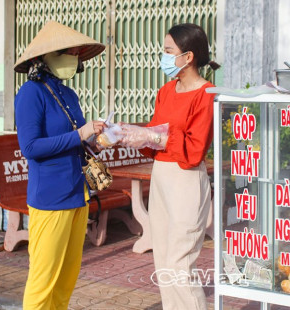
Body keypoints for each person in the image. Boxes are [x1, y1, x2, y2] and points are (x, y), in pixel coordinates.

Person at [117, 23, 220, 309]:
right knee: (163, 259)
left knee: (180, 262)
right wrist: (133, 136)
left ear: (188, 57)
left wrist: (155, 135)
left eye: (168, 51)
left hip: (186, 178)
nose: (163, 56)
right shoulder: (166, 91)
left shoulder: (206, 93)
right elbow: (156, 135)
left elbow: (195, 149)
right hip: (161, 176)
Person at [13, 20, 106, 310]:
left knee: (66, 280)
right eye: (69, 51)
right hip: (50, 199)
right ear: (44, 57)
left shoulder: (68, 95)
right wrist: (80, 133)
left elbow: (77, 140)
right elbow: (30, 147)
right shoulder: (31, 93)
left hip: (78, 195)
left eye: (77, 53)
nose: (74, 57)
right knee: (43, 283)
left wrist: (98, 140)